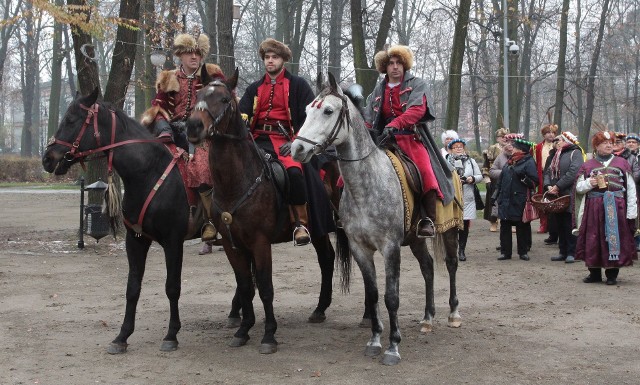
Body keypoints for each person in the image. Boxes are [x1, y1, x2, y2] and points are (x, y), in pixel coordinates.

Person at [363, 44, 456, 238]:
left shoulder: (417, 84)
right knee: (352, 169)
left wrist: (395, 124)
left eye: (399, 63)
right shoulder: (377, 89)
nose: (395, 67)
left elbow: (416, 110)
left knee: (425, 172)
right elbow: (368, 115)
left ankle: (427, 220)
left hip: (409, 138)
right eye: (390, 63)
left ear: (405, 65)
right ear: (384, 67)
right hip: (381, 139)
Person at [140, 33, 224, 243]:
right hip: (173, 130)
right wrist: (163, 128)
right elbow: (157, 106)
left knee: (202, 169)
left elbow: (223, 100)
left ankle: (209, 221)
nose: (193, 57)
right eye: (189, 53)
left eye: (197, 53)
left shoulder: (212, 73)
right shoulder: (169, 76)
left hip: (201, 132)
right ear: (180, 55)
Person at [238, 38, 318, 245]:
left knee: (294, 173)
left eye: (275, 57)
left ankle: (299, 224)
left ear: (283, 60)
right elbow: (242, 114)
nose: (270, 61)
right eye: (267, 57)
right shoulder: (253, 88)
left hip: (287, 141)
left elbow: (311, 119)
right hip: (256, 141)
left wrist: (295, 141)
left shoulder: (298, 85)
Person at [573, 131, 637, 285]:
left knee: (615, 238)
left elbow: (631, 188)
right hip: (594, 209)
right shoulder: (587, 166)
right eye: (604, 143)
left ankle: (612, 274)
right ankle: (594, 273)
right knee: (593, 238)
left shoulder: (622, 163)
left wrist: (632, 211)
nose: (609, 145)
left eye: (611, 143)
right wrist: (590, 183)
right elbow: (578, 189)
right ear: (596, 146)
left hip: (617, 208)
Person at [494, 136, 538, 261]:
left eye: (514, 147)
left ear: (521, 150)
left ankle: (523, 252)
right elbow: (501, 179)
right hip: (505, 199)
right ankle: (505, 252)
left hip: (520, 199)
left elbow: (535, 181)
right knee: (505, 226)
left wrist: (524, 178)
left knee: (521, 226)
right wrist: (496, 195)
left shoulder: (529, 161)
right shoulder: (510, 161)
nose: (512, 149)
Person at [543, 132, 584, 263]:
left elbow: (574, 172)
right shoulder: (557, 153)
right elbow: (549, 171)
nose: (557, 142)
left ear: (567, 140)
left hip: (569, 192)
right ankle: (563, 251)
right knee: (559, 222)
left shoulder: (576, 153)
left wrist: (558, 186)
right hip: (557, 193)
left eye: (559, 140)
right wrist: (548, 185)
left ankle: (572, 252)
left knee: (569, 223)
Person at [446, 139, 483, 261]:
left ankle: (461, 250)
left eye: (460, 146)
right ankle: (450, 250)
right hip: (452, 198)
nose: (458, 148)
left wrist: (471, 178)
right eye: (455, 147)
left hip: (467, 198)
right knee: (451, 226)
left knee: (464, 226)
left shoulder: (470, 161)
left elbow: (479, 176)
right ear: (451, 149)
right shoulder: (446, 161)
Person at [534, 119, 558, 236]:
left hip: (555, 176)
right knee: (543, 200)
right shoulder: (538, 147)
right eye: (548, 132)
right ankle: (543, 223)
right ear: (544, 134)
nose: (551, 135)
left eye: (553, 132)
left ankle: (554, 225)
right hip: (542, 175)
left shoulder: (559, 146)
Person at [483, 128, 509, 232]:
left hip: (508, 178)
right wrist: (487, 179)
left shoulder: (512, 148)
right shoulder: (493, 148)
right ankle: (493, 222)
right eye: (502, 137)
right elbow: (486, 165)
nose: (504, 139)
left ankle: (510, 223)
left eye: (506, 137)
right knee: (493, 200)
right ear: (498, 138)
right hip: (495, 178)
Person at [625, 133, 640, 250]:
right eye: (629, 142)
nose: (631, 144)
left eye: (633, 142)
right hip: (629, 188)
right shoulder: (624, 156)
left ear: (638, 145)